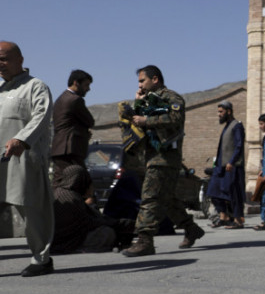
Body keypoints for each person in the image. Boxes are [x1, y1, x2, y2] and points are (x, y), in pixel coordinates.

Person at [121, 65, 205, 256]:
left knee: (150, 198)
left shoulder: (171, 98)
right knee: (167, 200)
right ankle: (191, 228)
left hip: (165, 158)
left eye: (142, 80)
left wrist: (146, 121)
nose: (140, 84)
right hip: (151, 157)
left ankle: (144, 240)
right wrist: (137, 105)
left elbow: (175, 117)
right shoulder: (147, 100)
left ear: (155, 79)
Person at [0, 41, 56, 276]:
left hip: (23, 157)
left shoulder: (35, 87)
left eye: (3, 58)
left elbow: (41, 117)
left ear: (20, 60)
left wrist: (21, 139)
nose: (0, 64)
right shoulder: (1, 91)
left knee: (31, 209)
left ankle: (41, 259)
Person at [52, 165, 134, 254]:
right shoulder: (72, 198)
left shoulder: (58, 192)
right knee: (107, 232)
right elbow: (90, 223)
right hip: (67, 242)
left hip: (55, 241)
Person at [50, 69, 95, 187]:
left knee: (60, 182)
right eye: (86, 85)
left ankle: (56, 205)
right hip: (70, 149)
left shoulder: (61, 98)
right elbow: (90, 121)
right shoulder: (75, 100)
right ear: (76, 83)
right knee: (78, 182)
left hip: (60, 148)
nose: (88, 89)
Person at [205, 101, 246, 228]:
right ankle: (224, 217)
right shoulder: (227, 126)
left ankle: (238, 220)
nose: (219, 114)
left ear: (229, 111)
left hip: (231, 166)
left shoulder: (237, 126)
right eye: (218, 112)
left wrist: (232, 162)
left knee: (234, 193)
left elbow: (239, 146)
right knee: (213, 191)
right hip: (220, 167)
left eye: (221, 112)